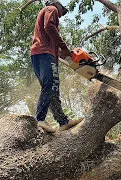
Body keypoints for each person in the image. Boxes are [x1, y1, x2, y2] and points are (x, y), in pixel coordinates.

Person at [30, 0, 82, 133]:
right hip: (44, 53)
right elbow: (49, 26)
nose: (60, 15)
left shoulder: (48, 15)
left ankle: (62, 122)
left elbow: (49, 36)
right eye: (61, 10)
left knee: (52, 88)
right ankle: (39, 119)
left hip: (41, 55)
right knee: (50, 84)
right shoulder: (51, 9)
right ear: (56, 4)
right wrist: (64, 47)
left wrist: (62, 53)